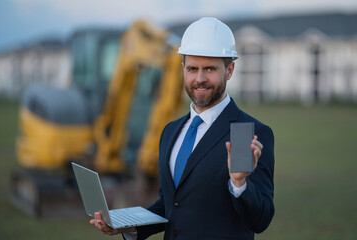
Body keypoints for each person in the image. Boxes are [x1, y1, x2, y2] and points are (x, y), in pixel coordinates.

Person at [90, 17, 275, 240]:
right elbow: (171, 205)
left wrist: (239, 184)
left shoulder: (246, 132)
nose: (200, 78)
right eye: (192, 69)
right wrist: (128, 225)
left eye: (210, 69)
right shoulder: (170, 132)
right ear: (183, 69)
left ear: (230, 70)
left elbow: (260, 219)